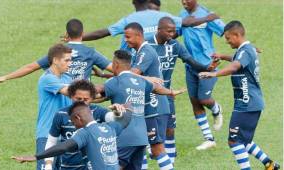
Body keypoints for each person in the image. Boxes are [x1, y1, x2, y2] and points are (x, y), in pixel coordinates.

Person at [199, 20, 280, 170]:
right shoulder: (245, 50)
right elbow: (237, 59)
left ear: (237, 35)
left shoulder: (247, 50)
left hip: (247, 104)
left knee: (234, 141)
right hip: (247, 103)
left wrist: (214, 74)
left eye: (228, 38)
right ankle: (269, 165)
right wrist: (223, 56)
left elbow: (236, 65)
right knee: (244, 140)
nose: (227, 42)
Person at [147, 16, 219, 164]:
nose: (171, 34)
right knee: (149, 128)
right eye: (168, 31)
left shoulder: (175, 45)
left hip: (167, 93)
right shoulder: (146, 45)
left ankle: (170, 162)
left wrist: (207, 68)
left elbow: (191, 61)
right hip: (148, 93)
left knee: (170, 129)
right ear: (158, 30)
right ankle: (149, 150)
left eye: (173, 31)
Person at [96, 49, 184, 170]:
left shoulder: (114, 82)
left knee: (111, 167)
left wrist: (79, 96)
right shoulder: (141, 81)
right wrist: (171, 92)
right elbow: (157, 88)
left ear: (115, 65)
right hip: (141, 138)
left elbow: (99, 92)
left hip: (125, 136)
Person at [0, 18, 112, 84]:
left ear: (67, 34)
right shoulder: (91, 53)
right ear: (83, 34)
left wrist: (5, 77)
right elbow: (117, 69)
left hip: (60, 100)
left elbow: (30, 67)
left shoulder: (58, 53)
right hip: (82, 103)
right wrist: (103, 75)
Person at [12, 101, 132, 170]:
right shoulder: (110, 127)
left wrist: (37, 156)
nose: (74, 126)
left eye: (73, 122)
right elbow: (125, 120)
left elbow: (63, 147)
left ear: (78, 118)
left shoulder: (85, 133)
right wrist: (128, 107)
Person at [124, 22, 178, 170]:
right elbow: (126, 75)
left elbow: (130, 75)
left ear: (138, 35)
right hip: (150, 107)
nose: (125, 40)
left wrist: (113, 72)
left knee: (157, 149)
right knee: (141, 146)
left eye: (128, 37)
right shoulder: (139, 51)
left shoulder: (145, 52)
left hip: (154, 107)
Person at [82, 0, 220, 54]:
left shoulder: (129, 20)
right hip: (157, 65)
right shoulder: (162, 16)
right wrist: (207, 18)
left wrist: (79, 36)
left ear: (133, 2)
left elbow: (103, 32)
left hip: (134, 66)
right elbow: (187, 22)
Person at [44, 80, 127, 170]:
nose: (82, 102)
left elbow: (113, 119)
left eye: (86, 99)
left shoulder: (98, 111)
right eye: (78, 99)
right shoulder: (61, 114)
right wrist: (48, 164)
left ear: (92, 98)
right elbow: (52, 141)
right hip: (68, 167)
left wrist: (117, 112)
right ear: (71, 96)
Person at [178, 0, 225, 150]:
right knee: (195, 101)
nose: (184, 1)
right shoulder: (182, 15)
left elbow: (226, 30)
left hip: (208, 65)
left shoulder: (206, 14)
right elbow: (175, 32)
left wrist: (245, 46)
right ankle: (208, 138)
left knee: (204, 99)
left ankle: (217, 109)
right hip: (190, 65)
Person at [36, 43, 73, 170]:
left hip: (66, 135)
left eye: (70, 60)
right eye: (67, 60)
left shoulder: (68, 77)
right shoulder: (47, 79)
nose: (70, 63)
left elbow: (83, 98)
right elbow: (71, 92)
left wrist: (108, 93)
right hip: (47, 135)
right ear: (56, 60)